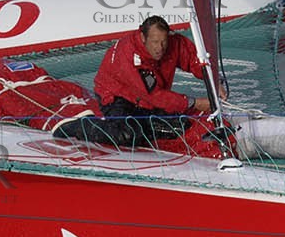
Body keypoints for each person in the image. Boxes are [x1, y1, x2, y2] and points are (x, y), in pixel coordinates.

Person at [87, 15, 221, 148]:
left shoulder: (171, 43)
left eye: (163, 41)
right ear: (143, 38)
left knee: (180, 126)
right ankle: (80, 125)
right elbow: (155, 96)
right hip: (116, 97)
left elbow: (193, 58)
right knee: (127, 134)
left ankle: (143, 126)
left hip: (145, 101)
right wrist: (194, 103)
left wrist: (213, 79)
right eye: (155, 42)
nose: (160, 48)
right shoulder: (130, 56)